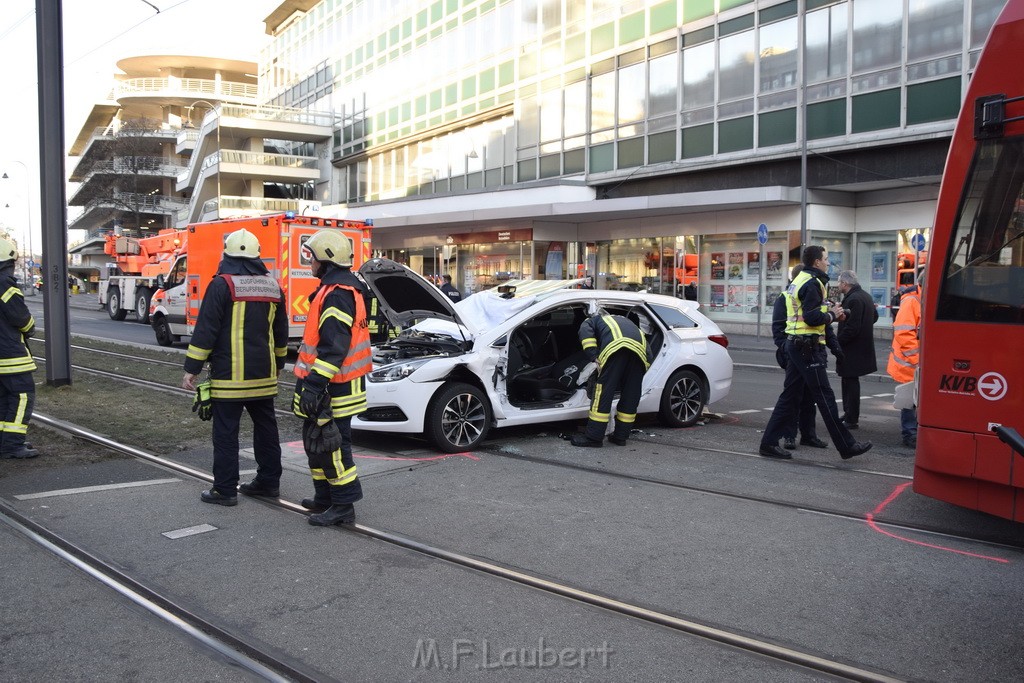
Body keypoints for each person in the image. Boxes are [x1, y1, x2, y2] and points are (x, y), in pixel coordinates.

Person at [182, 228, 287, 506]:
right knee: (266, 429)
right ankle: (268, 482)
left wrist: (192, 367)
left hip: (230, 378)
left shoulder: (221, 284)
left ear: (226, 254)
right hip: (263, 376)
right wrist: (278, 363)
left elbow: (206, 330)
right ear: (257, 256)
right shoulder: (273, 286)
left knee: (226, 432)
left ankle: (225, 490)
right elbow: (281, 332)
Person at [759, 245, 872, 460]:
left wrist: (830, 316)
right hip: (806, 347)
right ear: (817, 262)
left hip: (798, 345)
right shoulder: (813, 283)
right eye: (826, 259)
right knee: (825, 397)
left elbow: (807, 314)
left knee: (790, 397)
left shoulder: (800, 280)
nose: (828, 262)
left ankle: (768, 443)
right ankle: (846, 445)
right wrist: (831, 315)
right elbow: (812, 317)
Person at [292, 229, 371, 525]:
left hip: (335, 388)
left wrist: (313, 385)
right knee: (316, 443)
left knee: (333, 446)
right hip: (332, 386)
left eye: (311, 257)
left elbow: (333, 349)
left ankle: (343, 506)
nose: (309, 262)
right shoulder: (336, 290)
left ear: (325, 259)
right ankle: (324, 497)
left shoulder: (337, 295)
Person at [771, 264, 830, 451]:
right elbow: (779, 328)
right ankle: (789, 436)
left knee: (809, 396)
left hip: (810, 351)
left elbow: (822, 325)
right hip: (795, 351)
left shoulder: (807, 292)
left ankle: (808, 435)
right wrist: (787, 350)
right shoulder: (786, 296)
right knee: (793, 396)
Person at [570, 311, 648, 447]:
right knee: (631, 395)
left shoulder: (593, 321)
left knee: (603, 392)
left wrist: (594, 356)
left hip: (615, 349)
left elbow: (585, 333)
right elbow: (649, 352)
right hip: (640, 354)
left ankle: (593, 437)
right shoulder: (626, 322)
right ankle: (620, 437)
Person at [0, 237, 38, 460]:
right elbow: (20, 317)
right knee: (22, 396)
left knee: (3, 399)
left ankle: (4, 442)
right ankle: (13, 444)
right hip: (10, 356)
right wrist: (30, 328)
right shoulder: (4, 283)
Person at [835, 270, 878, 430]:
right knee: (848, 381)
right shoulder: (865, 295)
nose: (838, 285)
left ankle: (851, 418)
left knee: (850, 382)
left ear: (845, 284)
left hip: (852, 348)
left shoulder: (853, 299)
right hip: (860, 347)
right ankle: (848, 413)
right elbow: (874, 317)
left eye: (839, 283)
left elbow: (852, 328)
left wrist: (836, 342)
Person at [887, 281, 921, 448]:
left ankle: (912, 432)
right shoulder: (913, 300)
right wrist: (918, 359)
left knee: (914, 399)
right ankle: (910, 434)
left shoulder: (918, 299)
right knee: (910, 399)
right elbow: (904, 332)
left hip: (913, 361)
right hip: (910, 362)